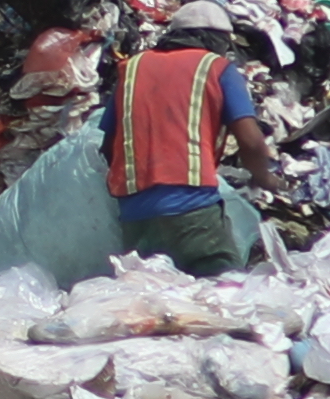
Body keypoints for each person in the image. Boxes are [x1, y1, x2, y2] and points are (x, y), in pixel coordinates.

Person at [104, 34, 262, 274]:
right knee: (224, 294)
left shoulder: (133, 68)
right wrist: (266, 178)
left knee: (157, 303)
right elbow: (251, 141)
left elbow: (108, 146)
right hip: (193, 212)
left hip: (135, 220)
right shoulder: (218, 68)